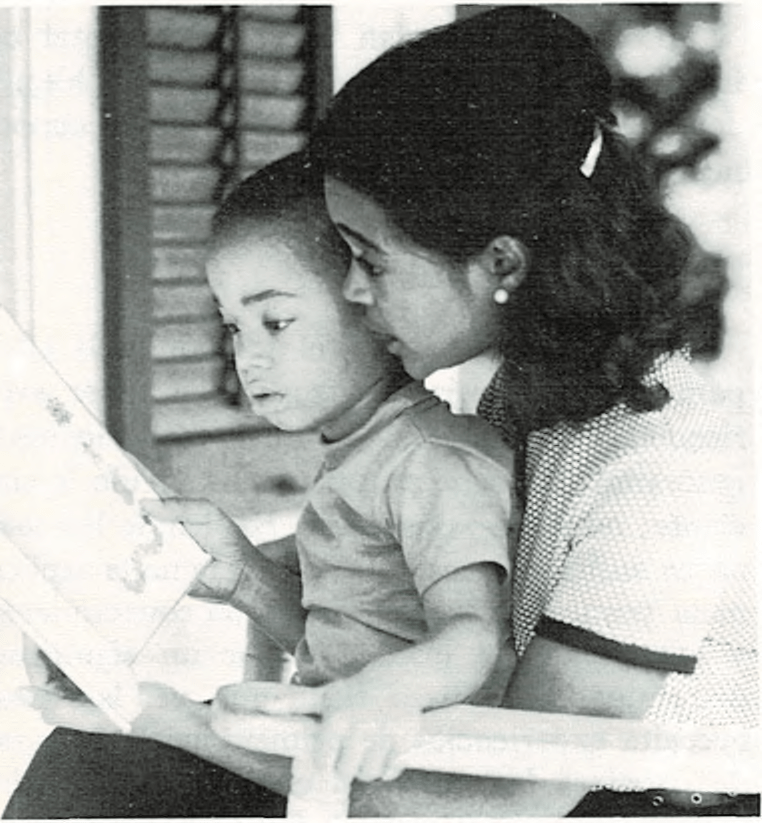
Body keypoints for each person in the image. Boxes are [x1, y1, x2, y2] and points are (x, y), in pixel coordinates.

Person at [7, 5, 757, 819]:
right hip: (478, 764)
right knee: (99, 756)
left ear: (501, 262)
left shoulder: (658, 467)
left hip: (624, 806)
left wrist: (178, 720)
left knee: (115, 770)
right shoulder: (532, 398)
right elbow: (396, 645)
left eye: (371, 260)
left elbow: (510, 798)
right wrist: (245, 580)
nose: (354, 292)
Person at [4, 150, 517, 817]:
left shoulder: (432, 461)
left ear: (370, 303)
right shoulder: (365, 451)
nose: (247, 357)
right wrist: (243, 572)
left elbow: (472, 635)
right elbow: (340, 644)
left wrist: (379, 695)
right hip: (317, 756)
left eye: (275, 322)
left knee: (91, 769)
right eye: (234, 327)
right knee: (87, 754)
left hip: (396, 780)